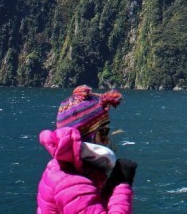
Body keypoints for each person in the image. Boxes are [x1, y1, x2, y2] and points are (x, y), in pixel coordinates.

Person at [37, 85, 137, 213]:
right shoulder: (73, 184)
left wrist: (109, 189)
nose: (107, 139)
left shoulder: (64, 169)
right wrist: (121, 185)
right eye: (103, 132)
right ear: (86, 136)